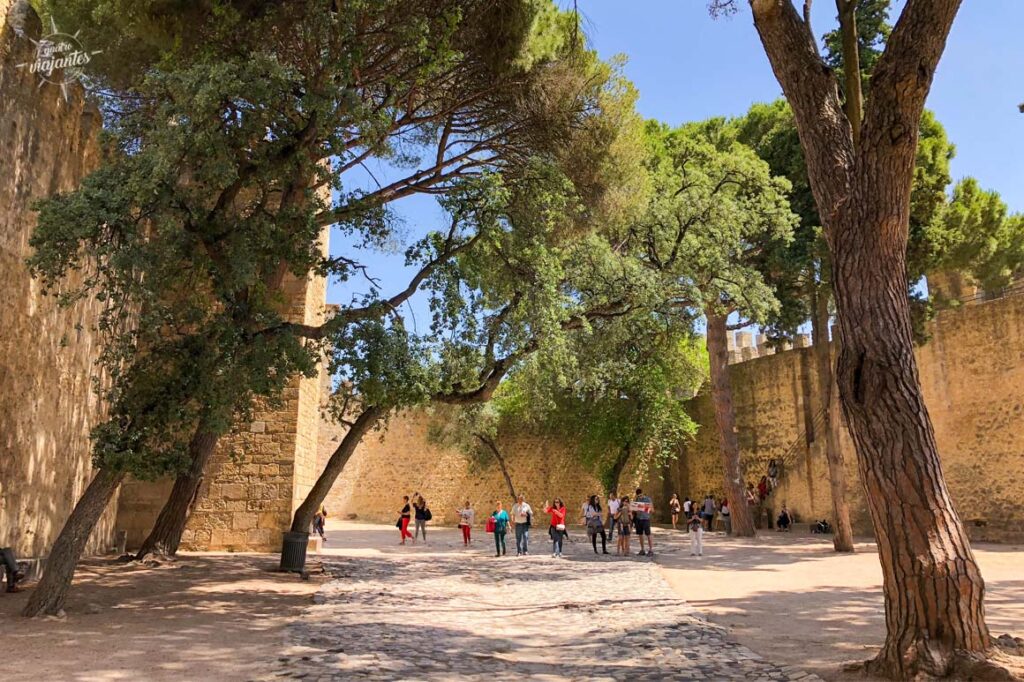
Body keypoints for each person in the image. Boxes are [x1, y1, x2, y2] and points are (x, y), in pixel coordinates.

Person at [633, 487, 654, 556]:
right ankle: (642, 549)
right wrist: (635, 509)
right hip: (638, 519)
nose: (640, 497)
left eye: (640, 495)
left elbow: (652, 510)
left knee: (648, 534)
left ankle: (651, 550)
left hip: (646, 519)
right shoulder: (637, 499)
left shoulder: (648, 499)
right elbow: (634, 510)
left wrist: (644, 508)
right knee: (640, 535)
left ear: (643, 494)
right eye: (638, 496)